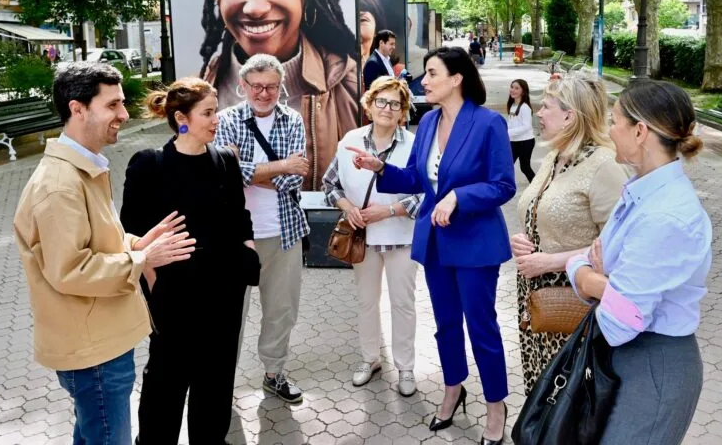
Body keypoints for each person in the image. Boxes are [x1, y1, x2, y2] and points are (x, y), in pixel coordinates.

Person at [14, 63, 194, 445]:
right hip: (93, 353)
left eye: (123, 103)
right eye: (112, 105)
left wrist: (136, 244)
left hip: (100, 343)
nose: (124, 115)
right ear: (77, 109)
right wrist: (143, 260)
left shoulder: (85, 169)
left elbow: (98, 242)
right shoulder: (61, 185)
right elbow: (71, 270)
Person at [348, 46, 515, 445]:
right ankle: (453, 389)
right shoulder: (426, 123)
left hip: (476, 245)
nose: (424, 80)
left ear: (456, 79)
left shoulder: (489, 123)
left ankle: (496, 405)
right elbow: (418, 180)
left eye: (432, 73)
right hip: (436, 244)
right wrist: (381, 168)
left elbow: (503, 185)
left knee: (482, 328)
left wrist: (460, 197)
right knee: (444, 326)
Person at [567, 80, 711, 444]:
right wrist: (602, 280)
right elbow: (587, 259)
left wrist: (592, 281)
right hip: (627, 357)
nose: (609, 130)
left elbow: (621, 319)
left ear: (640, 131)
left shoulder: (666, 214)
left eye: (614, 120)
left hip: (652, 365)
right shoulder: (642, 192)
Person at [121, 78, 260, 444]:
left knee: (216, 380)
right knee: (166, 380)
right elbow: (131, 231)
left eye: (216, 112)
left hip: (224, 291)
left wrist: (248, 250)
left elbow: (239, 214)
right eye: (209, 113)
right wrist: (151, 279)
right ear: (182, 118)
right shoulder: (149, 164)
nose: (217, 120)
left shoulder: (226, 159)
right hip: (174, 293)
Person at [198, 0, 359, 190]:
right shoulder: (205, 84)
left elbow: (297, 178)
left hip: (296, 223)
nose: (254, 8)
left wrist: (240, 171)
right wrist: (283, 166)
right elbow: (211, 173)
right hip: (233, 225)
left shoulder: (345, 81)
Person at [510, 75, 628, 391]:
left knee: (568, 393)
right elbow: (540, 212)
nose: (539, 112)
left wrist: (549, 261)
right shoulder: (554, 157)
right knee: (541, 387)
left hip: (573, 299)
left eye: (546, 106)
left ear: (569, 115)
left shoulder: (604, 166)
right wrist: (524, 239)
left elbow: (618, 247)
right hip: (536, 297)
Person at [215, 53, 309, 404]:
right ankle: (221, 383)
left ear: (281, 86)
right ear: (243, 86)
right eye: (257, 86)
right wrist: (281, 165)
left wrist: (249, 170)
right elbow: (224, 174)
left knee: (281, 310)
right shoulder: (224, 120)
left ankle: (274, 373)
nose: (264, 93)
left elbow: (292, 180)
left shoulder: (293, 120)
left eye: (271, 86)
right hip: (235, 238)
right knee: (228, 316)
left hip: (283, 232)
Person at [322, 77, 421, 396]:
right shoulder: (350, 139)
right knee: (367, 302)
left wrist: (390, 210)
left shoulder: (414, 144)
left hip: (401, 238)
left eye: (395, 104)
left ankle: (405, 367)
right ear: (369, 103)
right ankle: (370, 359)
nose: (387, 109)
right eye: (382, 101)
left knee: (402, 303)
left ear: (403, 111)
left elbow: (425, 195)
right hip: (362, 239)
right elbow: (329, 185)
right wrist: (347, 206)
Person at [506, 79, 536, 183]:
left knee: (525, 167)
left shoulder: (525, 107)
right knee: (507, 165)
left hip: (526, 141)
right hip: (514, 141)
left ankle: (537, 187)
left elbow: (526, 126)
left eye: (517, 88)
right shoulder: (512, 105)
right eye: (512, 87)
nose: (513, 90)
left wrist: (508, 132)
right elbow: (511, 123)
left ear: (523, 91)